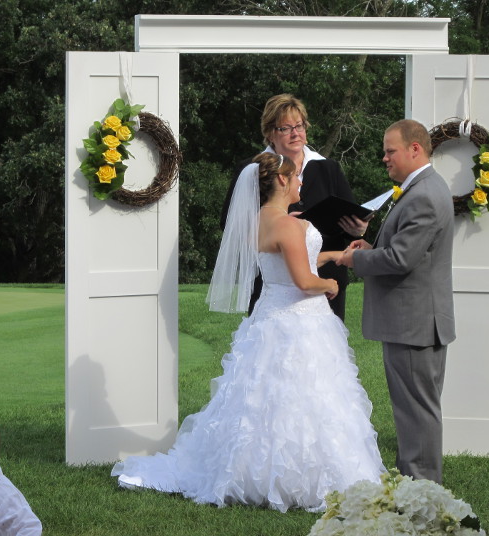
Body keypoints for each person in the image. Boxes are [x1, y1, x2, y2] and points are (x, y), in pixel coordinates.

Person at [112, 152, 386, 512]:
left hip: (270, 318)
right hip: (299, 322)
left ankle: (253, 469)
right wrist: (330, 287)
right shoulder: (289, 225)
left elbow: (288, 261)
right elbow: (304, 281)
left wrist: (333, 255)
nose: (301, 181)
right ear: (283, 181)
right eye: (296, 177)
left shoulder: (261, 220)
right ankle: (300, 478)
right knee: (307, 396)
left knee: (262, 399)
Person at [338, 119, 455, 484]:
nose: (384, 158)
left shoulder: (423, 195)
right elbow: (406, 252)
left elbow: (401, 260)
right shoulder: (421, 188)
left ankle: (422, 491)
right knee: (415, 410)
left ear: (414, 149)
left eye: (390, 151)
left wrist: (352, 259)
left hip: (414, 323)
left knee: (416, 412)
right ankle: (417, 485)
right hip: (416, 321)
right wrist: (372, 248)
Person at [221, 93, 368, 320]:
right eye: (285, 128)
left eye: (299, 126)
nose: (295, 133)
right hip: (274, 281)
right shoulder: (252, 170)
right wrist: (283, 224)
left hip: (327, 277)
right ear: (270, 133)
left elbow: (351, 212)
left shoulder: (328, 168)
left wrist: (358, 230)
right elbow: (232, 225)